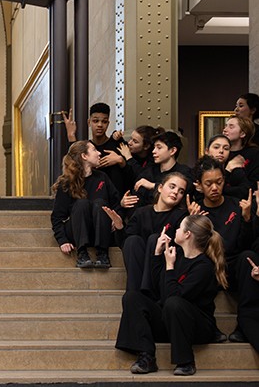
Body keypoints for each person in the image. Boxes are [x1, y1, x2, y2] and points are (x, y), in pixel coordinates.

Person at [115, 215, 228, 376]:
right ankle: (146, 356)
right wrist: (157, 254)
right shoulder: (177, 257)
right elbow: (157, 289)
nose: (176, 230)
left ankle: (186, 362)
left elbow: (174, 296)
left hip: (197, 328)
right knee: (132, 297)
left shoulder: (203, 266)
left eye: (180, 227)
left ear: (187, 234)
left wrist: (169, 266)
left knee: (174, 303)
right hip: (171, 323)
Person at [188, 155, 256, 344]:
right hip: (208, 268)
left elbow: (246, 244)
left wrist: (247, 219)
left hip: (233, 267)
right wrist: (193, 223)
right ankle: (209, 327)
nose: (214, 188)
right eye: (208, 184)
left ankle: (244, 326)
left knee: (248, 257)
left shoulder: (238, 205)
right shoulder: (197, 210)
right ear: (199, 186)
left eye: (219, 182)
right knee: (198, 263)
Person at [103, 173, 188, 291]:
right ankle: (135, 292)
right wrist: (119, 226)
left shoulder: (181, 216)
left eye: (181, 191)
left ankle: (145, 291)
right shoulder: (141, 212)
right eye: (172, 187)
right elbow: (125, 244)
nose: (175, 192)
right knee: (132, 241)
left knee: (155, 239)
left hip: (162, 271)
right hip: (139, 271)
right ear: (160, 188)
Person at [51, 140, 121, 269]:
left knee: (100, 203)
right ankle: (82, 254)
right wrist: (63, 240)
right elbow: (57, 218)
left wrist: (115, 219)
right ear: (84, 156)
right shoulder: (66, 183)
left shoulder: (102, 177)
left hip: (101, 230)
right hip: (77, 232)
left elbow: (116, 204)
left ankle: (102, 254)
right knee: (82, 203)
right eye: (94, 150)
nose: (99, 153)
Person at [63, 104, 129, 195]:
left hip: (116, 198)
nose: (100, 125)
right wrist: (71, 135)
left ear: (108, 123)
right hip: (90, 197)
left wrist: (120, 160)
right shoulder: (87, 147)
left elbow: (131, 172)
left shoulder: (116, 143)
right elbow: (75, 165)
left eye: (104, 122)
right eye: (95, 121)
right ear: (89, 122)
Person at [132, 131, 192, 208]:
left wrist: (153, 186)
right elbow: (137, 197)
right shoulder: (149, 172)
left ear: (172, 151)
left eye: (159, 147)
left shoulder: (184, 172)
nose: (153, 151)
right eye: (154, 147)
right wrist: (125, 202)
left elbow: (184, 195)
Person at [204, 134, 250, 199]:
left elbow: (246, 191)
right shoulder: (201, 169)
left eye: (226, 148)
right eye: (216, 147)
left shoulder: (235, 169)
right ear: (207, 151)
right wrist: (227, 171)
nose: (221, 151)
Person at [222, 116, 259, 185]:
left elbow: (254, 184)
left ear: (242, 134)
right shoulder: (220, 152)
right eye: (225, 126)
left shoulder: (254, 153)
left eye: (231, 127)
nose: (225, 130)